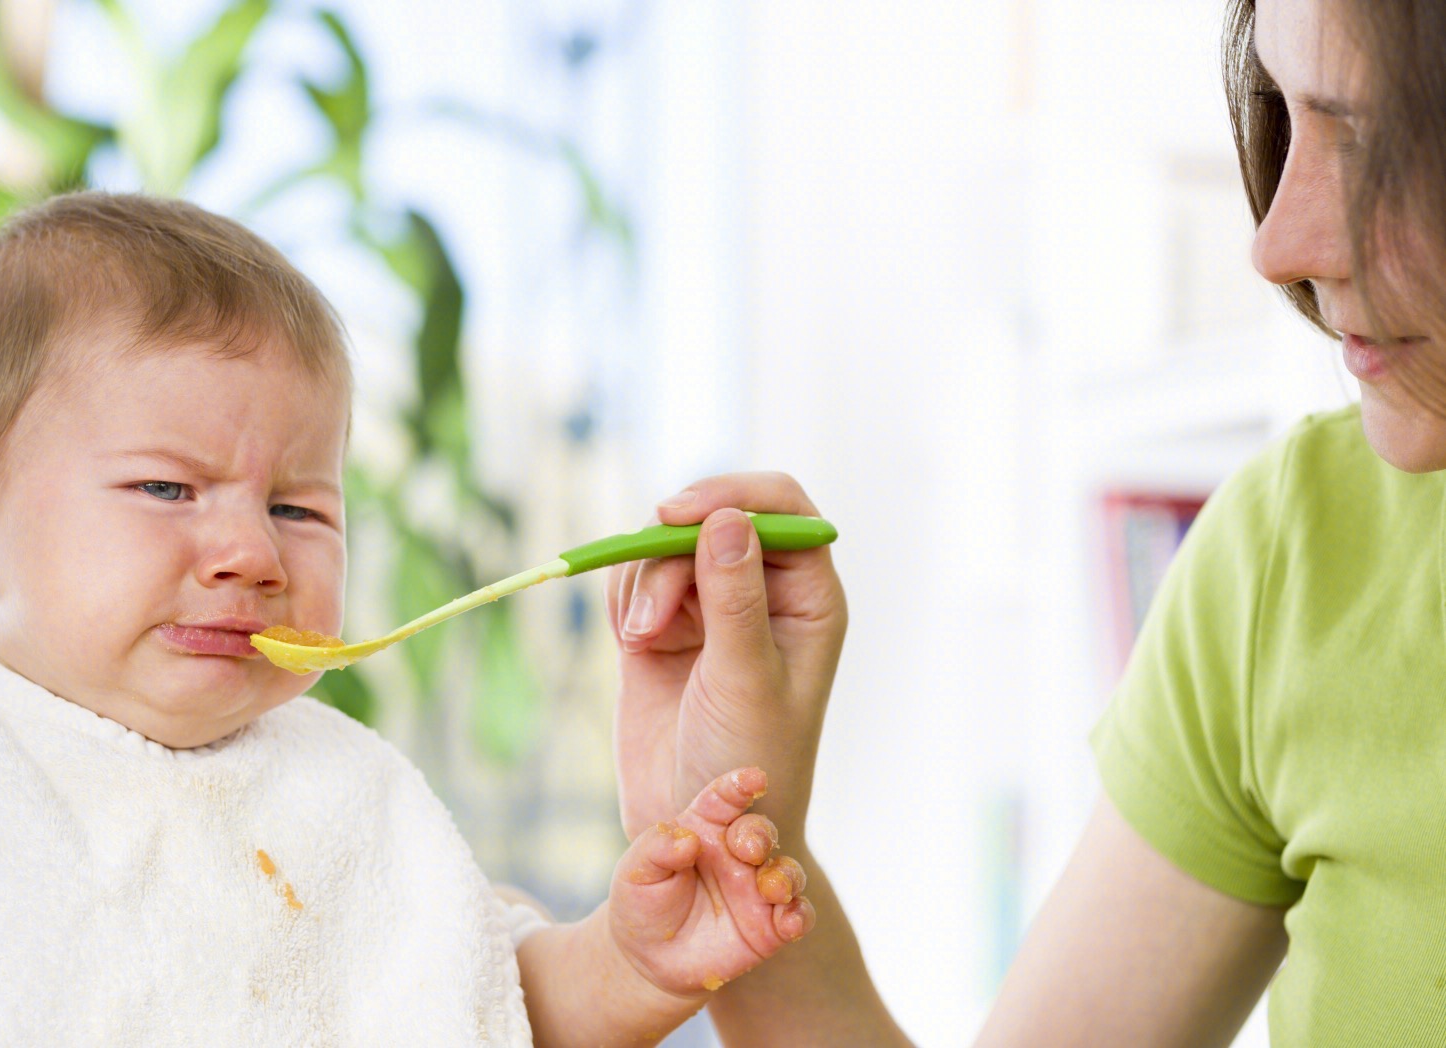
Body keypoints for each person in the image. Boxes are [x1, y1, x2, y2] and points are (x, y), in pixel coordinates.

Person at [0, 192, 818, 1046]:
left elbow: (480, 993)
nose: (252, 553)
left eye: (297, 506)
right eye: (169, 491)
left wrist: (630, 963)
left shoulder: (340, 795)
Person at [604, 0, 1446, 1043]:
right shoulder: (1293, 556)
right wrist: (735, 842)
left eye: (1365, 133)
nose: (1279, 244)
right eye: (1287, 109)